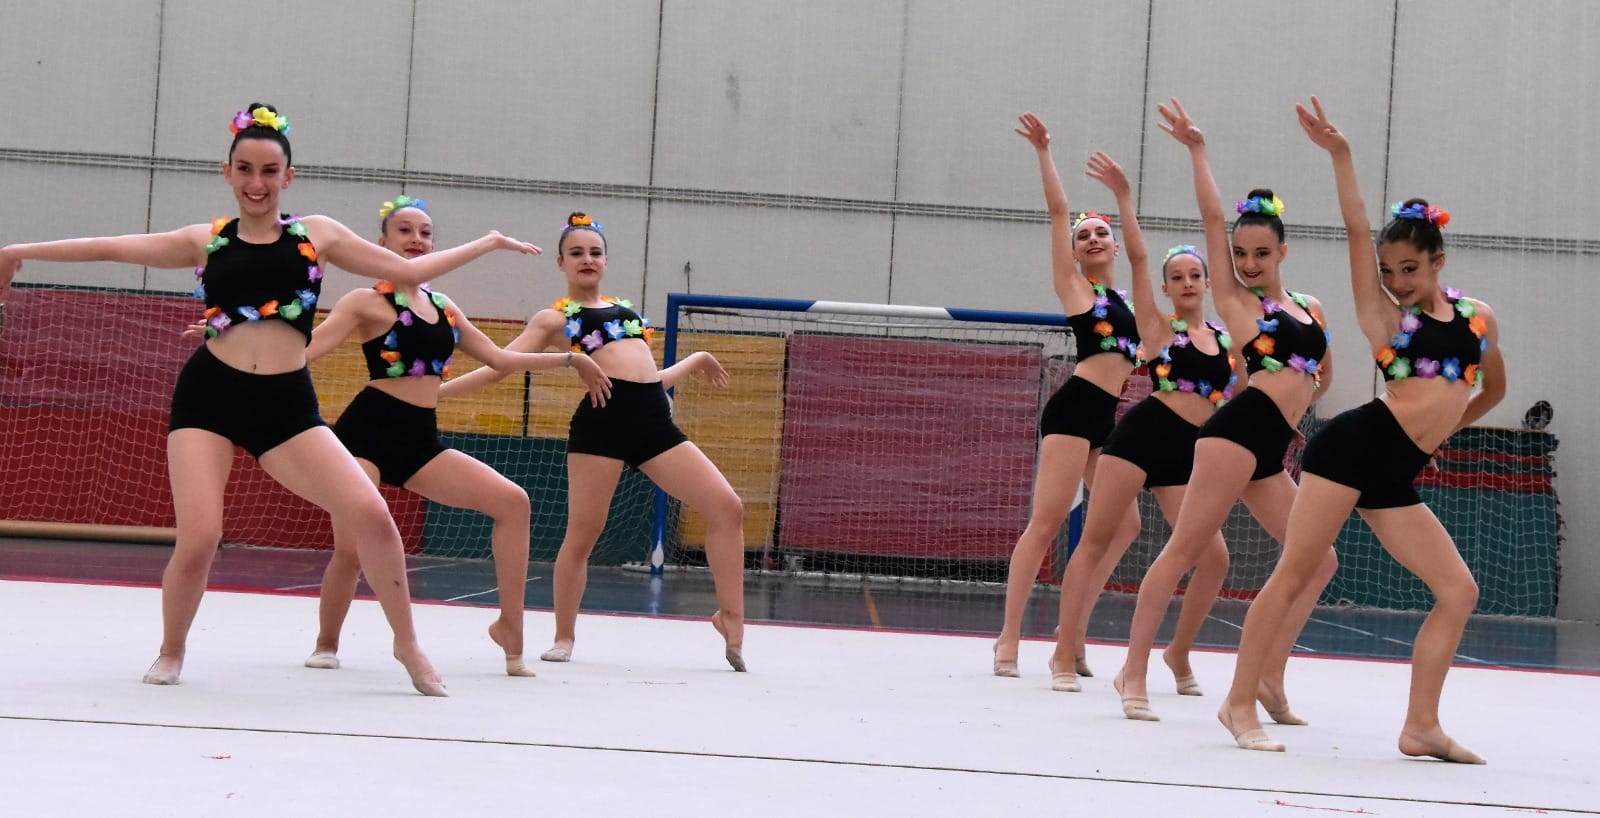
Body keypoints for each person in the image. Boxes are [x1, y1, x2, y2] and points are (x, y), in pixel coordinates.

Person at [0, 103, 540, 695]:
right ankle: (172, 649)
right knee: (200, 537)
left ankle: (406, 643)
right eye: (245, 170)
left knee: (372, 516)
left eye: (268, 171)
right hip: (210, 397)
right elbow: (110, 247)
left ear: (288, 177)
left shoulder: (318, 235)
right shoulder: (206, 240)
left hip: (284, 405)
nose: (256, 183)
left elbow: (407, 271)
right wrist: (18, 250)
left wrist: (486, 243)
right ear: (227, 173)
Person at [1219, 97, 1504, 761]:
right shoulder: (1386, 320)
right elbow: (1355, 228)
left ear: (1438, 261)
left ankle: (1421, 726)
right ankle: (1238, 701)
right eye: (1388, 271)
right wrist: (1341, 155)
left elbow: (1493, 389)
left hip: (1395, 468)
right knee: (1295, 572)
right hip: (1352, 449)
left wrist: (1442, 433)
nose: (1397, 281)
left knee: (1458, 590)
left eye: (1410, 269)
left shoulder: (1479, 318)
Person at [293, 195, 610, 677]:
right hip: (365, 434)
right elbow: (307, 351)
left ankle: (510, 628)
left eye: (425, 233)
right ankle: (327, 642)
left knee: (513, 502)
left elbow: (500, 359)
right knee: (352, 547)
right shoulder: (365, 302)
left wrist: (570, 358)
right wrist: (237, 343)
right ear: (381, 243)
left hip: (421, 440)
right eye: (404, 231)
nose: (416, 239)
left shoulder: (445, 309)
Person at [1112, 98, 1339, 721]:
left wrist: (1299, 409)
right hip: (1235, 433)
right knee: (1185, 549)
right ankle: (1132, 671)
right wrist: (1197, 149)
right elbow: (1213, 217)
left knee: (1319, 560)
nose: (1248, 264)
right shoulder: (1240, 305)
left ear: (1283, 251)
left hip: (1272, 442)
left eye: (1261, 253)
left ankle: (1269, 676)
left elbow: (1322, 375)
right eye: (1240, 255)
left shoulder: (1309, 308)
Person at [439, 212, 746, 670]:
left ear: (606, 260)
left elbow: (648, 381)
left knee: (727, 506)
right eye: (576, 253)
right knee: (583, 536)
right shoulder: (555, 318)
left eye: (595, 252)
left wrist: (695, 358)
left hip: (653, 427)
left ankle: (731, 617)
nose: (587, 259)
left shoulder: (627, 313)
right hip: (601, 426)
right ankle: (564, 635)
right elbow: (500, 364)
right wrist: (440, 392)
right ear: (560, 263)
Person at [1048, 235, 1241, 711]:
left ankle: (1178, 652)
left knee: (1215, 557)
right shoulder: (1156, 326)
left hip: (1184, 454)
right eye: (1177, 277)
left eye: (1195, 275)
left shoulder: (1224, 340)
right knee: (1096, 540)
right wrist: (1123, 201)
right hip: (1139, 439)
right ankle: (1063, 652)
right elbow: (1137, 257)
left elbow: (1239, 398)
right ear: (1165, 288)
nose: (1187, 283)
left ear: (1208, 283)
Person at [993, 113, 1143, 684]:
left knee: (1125, 525)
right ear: (1076, 254)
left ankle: (1070, 630)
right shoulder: (1076, 288)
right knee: (1047, 522)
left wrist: (1123, 199)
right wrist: (1043, 152)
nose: (1094, 238)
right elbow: (1059, 212)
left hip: (1107, 417)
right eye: (1085, 236)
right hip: (1075, 409)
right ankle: (1008, 637)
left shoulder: (1129, 303)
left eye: (1101, 232)